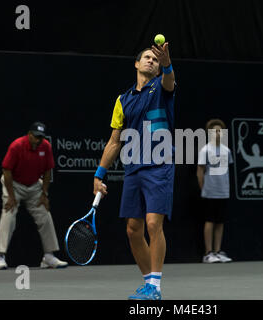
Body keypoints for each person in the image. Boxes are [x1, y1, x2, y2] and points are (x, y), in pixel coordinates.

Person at [93, 42, 176, 300]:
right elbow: (114, 141)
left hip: (160, 164)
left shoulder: (162, 87)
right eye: (147, 58)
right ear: (137, 64)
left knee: (153, 223)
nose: (151, 60)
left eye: (155, 58)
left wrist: (167, 63)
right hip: (133, 167)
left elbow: (170, 80)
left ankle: (156, 288)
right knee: (133, 229)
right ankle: (149, 282)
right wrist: (99, 174)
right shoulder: (123, 100)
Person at [0, 122, 68, 270]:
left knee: (45, 214)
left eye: (41, 137)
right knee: (8, 212)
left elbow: (47, 171)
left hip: (34, 185)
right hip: (13, 184)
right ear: (29, 135)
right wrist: (11, 196)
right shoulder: (16, 146)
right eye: (36, 136)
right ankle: (0, 256)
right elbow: (6, 171)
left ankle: (49, 256)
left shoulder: (46, 146)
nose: (38, 140)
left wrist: (44, 194)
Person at [197, 119, 234, 263]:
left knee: (220, 222)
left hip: (223, 191)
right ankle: (208, 253)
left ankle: (218, 251)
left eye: (220, 131)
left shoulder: (227, 151)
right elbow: (200, 171)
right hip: (209, 192)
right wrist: (203, 189)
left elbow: (226, 172)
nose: (217, 134)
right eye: (214, 131)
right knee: (210, 221)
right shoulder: (205, 150)